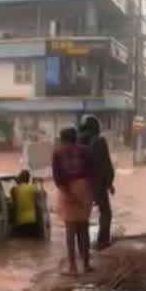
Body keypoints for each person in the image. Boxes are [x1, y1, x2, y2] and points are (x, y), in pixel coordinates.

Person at [52, 126, 95, 276]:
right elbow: (92, 173)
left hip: (67, 189)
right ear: (75, 137)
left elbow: (57, 178)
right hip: (85, 188)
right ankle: (87, 264)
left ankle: (73, 268)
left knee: (70, 232)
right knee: (84, 228)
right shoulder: (87, 150)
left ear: (62, 138)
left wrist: (68, 194)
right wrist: (89, 193)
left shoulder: (57, 152)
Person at [79, 115, 116, 249]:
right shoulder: (99, 141)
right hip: (97, 184)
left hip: (81, 185)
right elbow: (105, 164)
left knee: (82, 215)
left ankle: (83, 245)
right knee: (105, 212)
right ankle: (103, 240)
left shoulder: (78, 142)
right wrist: (109, 182)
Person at [9, 170, 42, 238]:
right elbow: (39, 201)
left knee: (22, 243)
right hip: (32, 220)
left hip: (20, 221)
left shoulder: (14, 189)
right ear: (28, 179)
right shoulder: (33, 188)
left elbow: (13, 203)